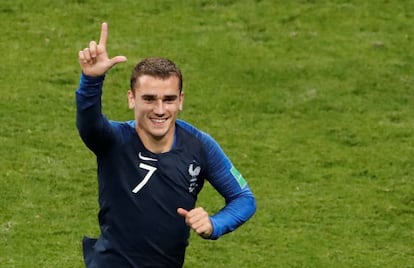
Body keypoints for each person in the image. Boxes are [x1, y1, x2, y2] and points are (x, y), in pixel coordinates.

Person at [76, 22, 256, 268]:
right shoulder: (114, 140)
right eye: (149, 99)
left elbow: (243, 198)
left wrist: (215, 224)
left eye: (169, 99)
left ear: (180, 100)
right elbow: (89, 124)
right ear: (131, 98)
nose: (160, 110)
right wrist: (91, 81)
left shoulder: (199, 146)